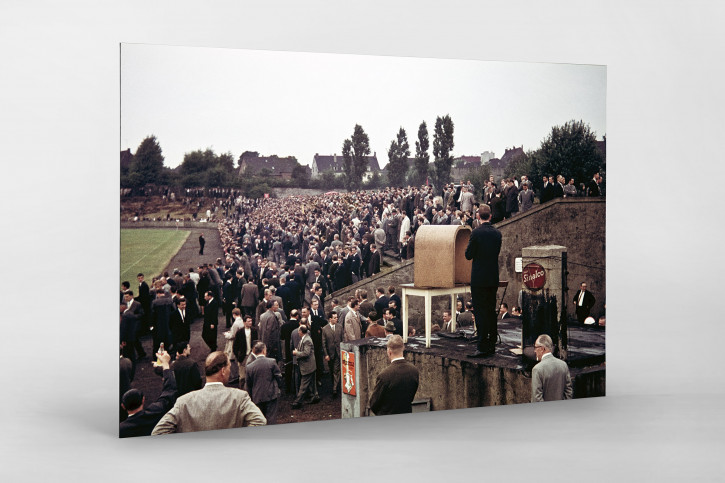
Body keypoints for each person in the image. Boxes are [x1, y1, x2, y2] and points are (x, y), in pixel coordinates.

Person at [152, 351, 266, 434]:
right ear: (223, 371)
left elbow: (158, 431)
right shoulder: (240, 397)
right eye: (229, 367)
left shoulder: (184, 401)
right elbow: (260, 421)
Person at [464, 204, 502, 358]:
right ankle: (491, 343)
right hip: (492, 277)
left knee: (480, 312)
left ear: (478, 216)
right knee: (491, 310)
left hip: (479, 278)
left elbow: (468, 255)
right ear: (491, 216)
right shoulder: (497, 233)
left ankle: (482, 345)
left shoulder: (476, 233)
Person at [120, 350, 177, 438]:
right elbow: (169, 391)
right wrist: (165, 364)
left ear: (123, 406)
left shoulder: (121, 429)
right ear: (143, 400)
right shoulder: (156, 412)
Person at [368, 335, 419, 416]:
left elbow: (374, 404)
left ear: (389, 351)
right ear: (403, 348)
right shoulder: (414, 371)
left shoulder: (384, 375)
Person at [244, 342, 283, 425]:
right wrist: (279, 387)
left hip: (257, 397)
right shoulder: (272, 362)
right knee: (271, 419)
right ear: (264, 351)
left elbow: (248, 384)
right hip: (271, 395)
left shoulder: (249, 367)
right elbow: (279, 377)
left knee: (260, 420)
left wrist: (251, 397)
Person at [531, 334, 573, 402]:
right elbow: (568, 392)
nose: (534, 351)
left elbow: (536, 399)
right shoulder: (563, 365)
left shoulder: (537, 369)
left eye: (536, 347)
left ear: (542, 349)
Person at [291, 325, 320, 409]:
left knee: (303, 385)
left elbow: (306, 353)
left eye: (298, 331)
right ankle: (315, 397)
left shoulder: (307, 340)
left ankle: (297, 402)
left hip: (308, 367)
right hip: (310, 366)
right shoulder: (305, 338)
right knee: (312, 384)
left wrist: (296, 353)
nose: (298, 332)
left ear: (301, 332)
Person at [321, 311, 344, 396]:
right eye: (334, 318)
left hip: (338, 352)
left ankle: (334, 388)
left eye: (337, 317)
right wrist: (326, 354)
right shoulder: (324, 329)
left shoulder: (340, 327)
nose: (336, 319)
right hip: (330, 354)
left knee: (336, 370)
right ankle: (334, 384)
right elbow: (323, 343)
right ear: (330, 319)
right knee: (331, 370)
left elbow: (343, 340)